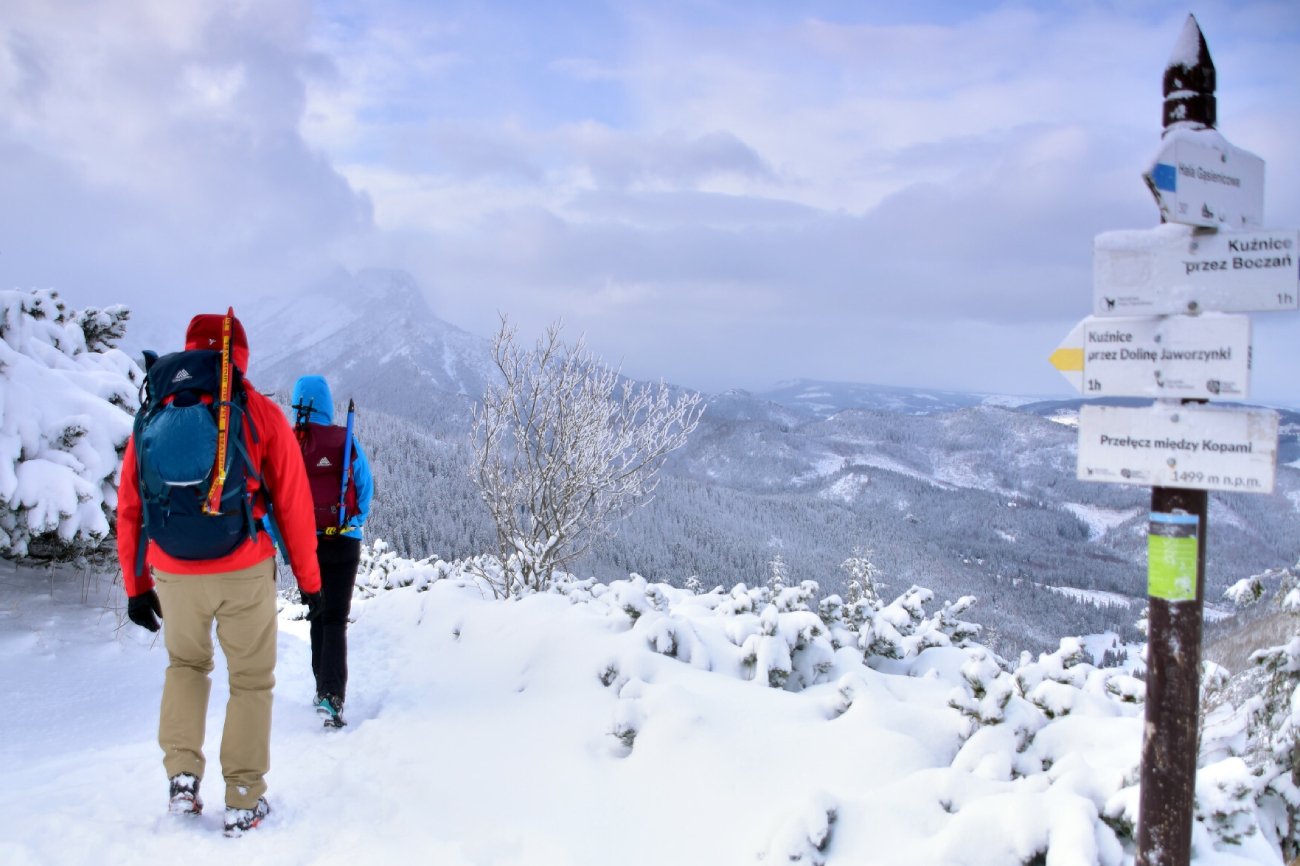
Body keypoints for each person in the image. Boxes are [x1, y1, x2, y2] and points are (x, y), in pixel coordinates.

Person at [117, 312, 322, 837]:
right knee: (250, 680)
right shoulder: (256, 410)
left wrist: (137, 586)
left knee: (186, 665)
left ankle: (182, 779)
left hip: (173, 571)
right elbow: (294, 504)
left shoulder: (155, 410)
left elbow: (131, 507)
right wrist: (311, 582)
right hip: (243, 567)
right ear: (241, 355)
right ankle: (243, 798)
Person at [290, 375, 374, 728]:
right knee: (336, 619)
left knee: (317, 616)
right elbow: (365, 490)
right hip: (343, 541)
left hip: (306, 544)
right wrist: (352, 523)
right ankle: (332, 695)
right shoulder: (346, 441)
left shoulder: (290, 444)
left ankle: (320, 687)